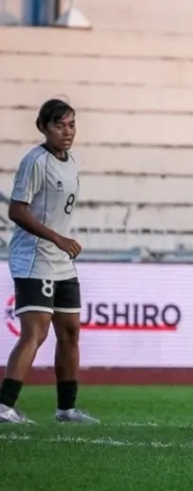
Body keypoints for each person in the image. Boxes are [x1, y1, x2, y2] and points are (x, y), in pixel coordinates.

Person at [1, 99, 98, 425]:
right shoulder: (35, 162)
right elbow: (16, 210)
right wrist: (56, 237)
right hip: (34, 258)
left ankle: (66, 409)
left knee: (70, 333)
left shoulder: (71, 162)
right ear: (43, 128)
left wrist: (61, 242)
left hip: (61, 261)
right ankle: (3, 406)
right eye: (60, 125)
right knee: (36, 332)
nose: (67, 132)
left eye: (71, 125)